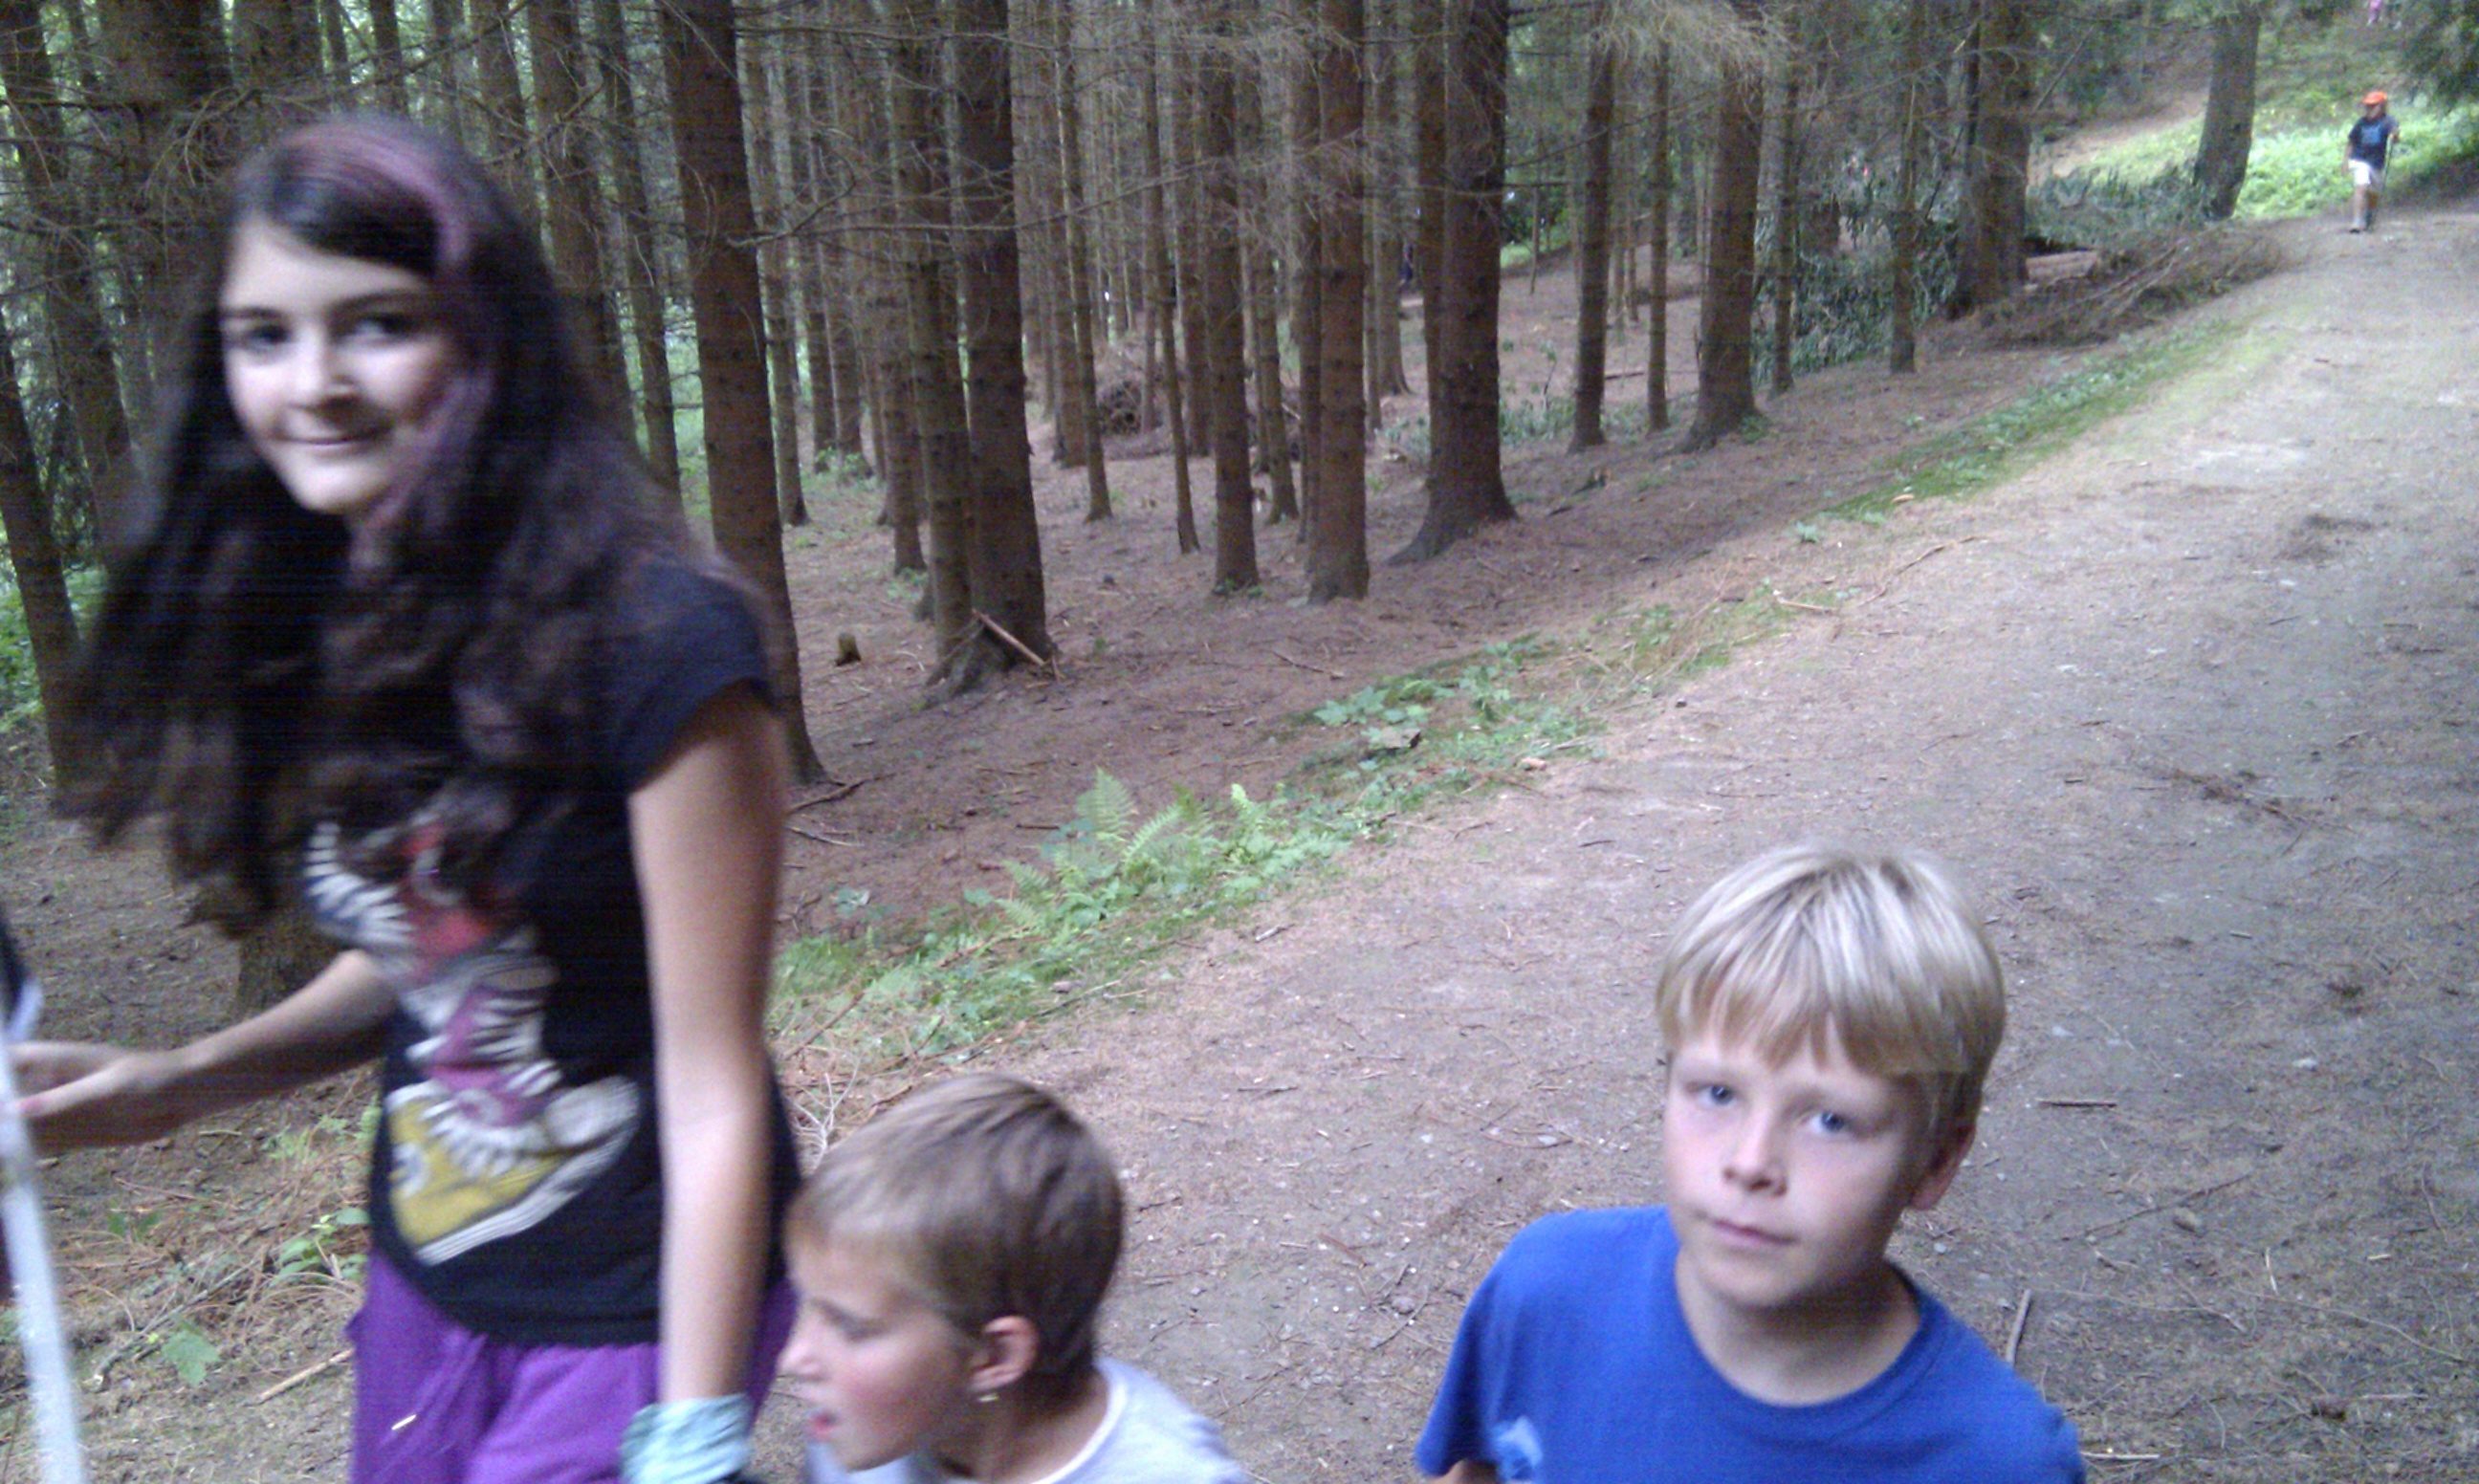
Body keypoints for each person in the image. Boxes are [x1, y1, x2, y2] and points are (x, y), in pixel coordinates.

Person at [19, 116, 801, 1484]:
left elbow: (712, 1080)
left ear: (485, 342)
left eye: (375, 324)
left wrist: (692, 1425)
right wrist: (182, 1084)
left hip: (631, 1313)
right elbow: (436, 956)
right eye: (265, 336)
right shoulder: (344, 621)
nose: (314, 384)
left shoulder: (663, 648)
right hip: (428, 1288)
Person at [1417, 845, 2086, 1484]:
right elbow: (1476, 1466)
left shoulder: (1997, 1463)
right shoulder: (1544, 1291)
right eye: (1717, 1093)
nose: (1750, 1162)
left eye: (1831, 1121)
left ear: (1934, 1162)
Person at [780, 1073, 1245, 1484]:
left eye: (850, 1327)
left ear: (993, 1355)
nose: (794, 1357)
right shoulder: (865, 1434)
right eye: (809, 1304)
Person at [2345, 91, 2401, 232]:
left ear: (2382, 107)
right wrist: (2345, 162)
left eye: (2373, 106)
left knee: (2374, 193)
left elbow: (2394, 134)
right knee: (2361, 186)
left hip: (2376, 162)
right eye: (2368, 106)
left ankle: (2370, 214)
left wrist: (2395, 136)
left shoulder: (2387, 121)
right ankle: (2357, 221)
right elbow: (2351, 142)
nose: (2369, 109)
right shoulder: (2361, 123)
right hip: (2359, 159)